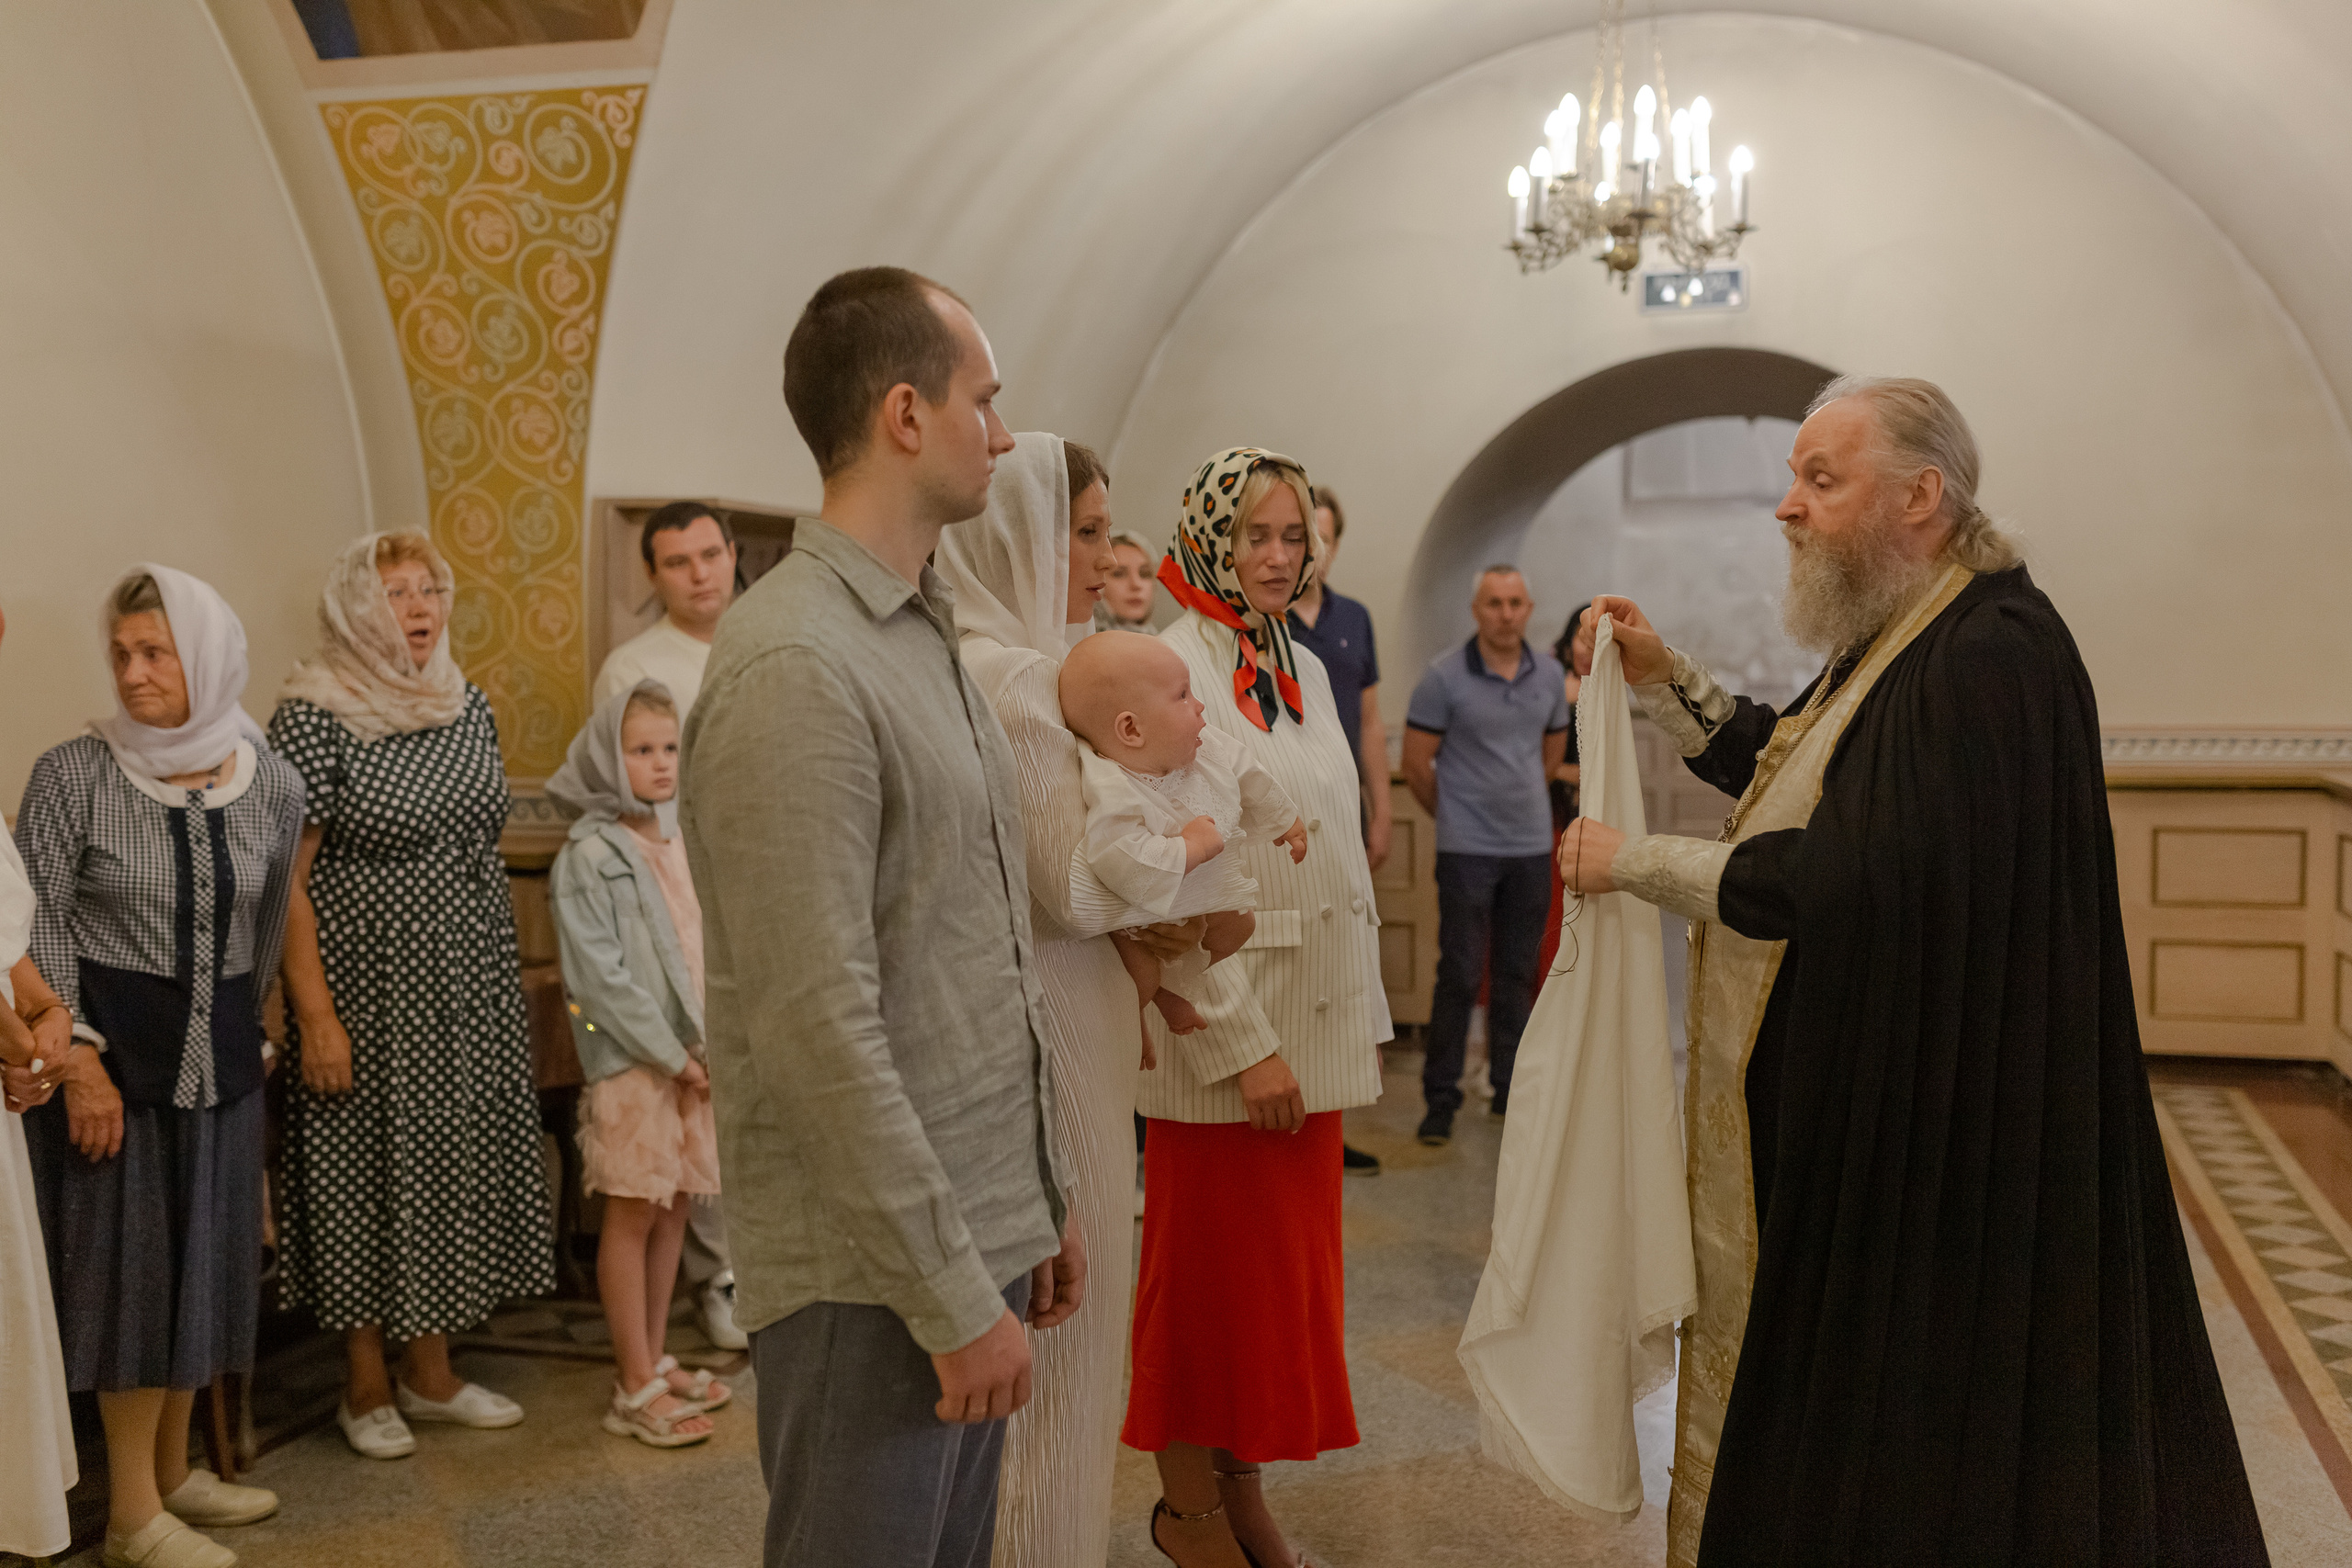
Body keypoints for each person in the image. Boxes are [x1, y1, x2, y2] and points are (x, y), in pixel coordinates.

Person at [1560, 377, 2264, 1564]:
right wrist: (1660, 675)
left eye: (1819, 479)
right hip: (1888, 1106)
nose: (1786, 506)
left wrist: (1637, 862)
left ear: (1921, 495)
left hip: (1953, 1138)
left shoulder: (1994, 652)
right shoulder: (1908, 628)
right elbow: (1792, 769)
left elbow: (1851, 870)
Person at [683, 267, 1085, 1568]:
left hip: (965, 1231)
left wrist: (1038, 1200)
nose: (1006, 435)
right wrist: (953, 1288)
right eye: (987, 400)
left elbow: (973, 950)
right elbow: (815, 1024)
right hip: (874, 1275)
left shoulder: (918, 629)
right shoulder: (798, 661)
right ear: (906, 414)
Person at [933, 432, 1202, 1566]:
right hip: (1051, 1021)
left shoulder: (970, 653)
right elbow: (1074, 890)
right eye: (1084, 532)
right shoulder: (1019, 681)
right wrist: (1193, 851)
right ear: (1022, 537)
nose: (1102, 561)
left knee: (1054, 1349)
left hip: (1056, 1010)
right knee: (1069, 1362)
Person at [1125, 446, 1390, 1568]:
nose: (1278, 557)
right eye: (1255, 536)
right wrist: (1242, 1046)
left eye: (1294, 537)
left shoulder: (1301, 661)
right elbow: (1162, 889)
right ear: (1207, 535)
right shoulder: (1164, 660)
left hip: (1313, 1024)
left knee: (1271, 1300)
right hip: (1234, 1036)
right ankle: (1187, 1517)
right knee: (1201, 1294)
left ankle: (1244, 1496)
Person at [17, 567, 304, 1568]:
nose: (133, 673)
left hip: (221, 1057)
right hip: (116, 1068)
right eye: (122, 654)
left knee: (205, 1270)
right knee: (133, 1283)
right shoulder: (72, 775)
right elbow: (37, 918)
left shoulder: (268, 778)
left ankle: (179, 1476)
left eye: (156, 652)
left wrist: (256, 1034)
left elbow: (265, 924)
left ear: (208, 656)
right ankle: (134, 1516)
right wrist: (82, 1062)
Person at [270, 531, 555, 1462]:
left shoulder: (463, 701)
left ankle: (431, 1375)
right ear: (358, 606)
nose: (421, 605)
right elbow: (287, 884)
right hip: (366, 984)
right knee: (366, 1167)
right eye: (396, 591)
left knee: (444, 1164)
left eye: (429, 587)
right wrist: (314, 1013)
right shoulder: (314, 716)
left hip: (465, 979)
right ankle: (362, 1384)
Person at [548, 682, 729, 1450]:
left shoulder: (678, 837)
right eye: (641, 749)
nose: (660, 764)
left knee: (674, 1207)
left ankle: (654, 1356)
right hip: (638, 1063)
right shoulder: (589, 856)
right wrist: (671, 1056)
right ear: (607, 758)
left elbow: (700, 943)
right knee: (631, 1212)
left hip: (693, 1057)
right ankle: (631, 1383)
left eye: (668, 747)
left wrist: (708, 1048)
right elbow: (601, 980)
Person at [594, 501, 746, 1351]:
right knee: (703, 1082)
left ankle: (767, 1259)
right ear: (653, 575)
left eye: (710, 553)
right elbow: (625, 794)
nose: (699, 573)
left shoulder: (765, 633)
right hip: (681, 891)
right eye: (677, 561)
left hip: (775, 883)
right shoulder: (634, 665)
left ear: (732, 555)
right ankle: (715, 1273)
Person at [1060, 631, 1306, 1035]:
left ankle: (1174, 988)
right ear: (1131, 730)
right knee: (1137, 980)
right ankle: (1143, 1015)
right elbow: (1117, 855)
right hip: (1137, 914)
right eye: (1183, 696)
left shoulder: (1201, 744)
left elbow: (1243, 768)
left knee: (1241, 924)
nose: (1200, 705)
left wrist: (1284, 819)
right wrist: (1188, 848)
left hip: (1194, 897)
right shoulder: (1111, 786)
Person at [1401, 567, 1570, 1144]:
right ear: (1476, 610)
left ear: (1528, 609)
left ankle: (1508, 1089)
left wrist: (1516, 801)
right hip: (1466, 849)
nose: (1505, 613)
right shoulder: (1443, 678)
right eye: (1493, 603)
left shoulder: (1549, 675)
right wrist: (1457, 815)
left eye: (1515, 603)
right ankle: (1440, 1101)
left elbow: (1550, 753)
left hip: (1529, 846)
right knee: (1460, 973)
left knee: (1518, 974)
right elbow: (1415, 765)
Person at [1287, 488, 1389, 1178]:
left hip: (1344, 807)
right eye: (1300, 536)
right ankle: (1288, 1101)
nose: (1309, 551)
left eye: (1321, 537)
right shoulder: (1261, 620)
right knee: (1295, 960)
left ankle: (1332, 1110)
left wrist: (1379, 808)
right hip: (1286, 816)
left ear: (1335, 544)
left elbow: (1373, 722)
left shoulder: (1354, 618)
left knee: (1343, 957)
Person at [1093, 529, 1159, 632]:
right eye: (1119, 574)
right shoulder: (1084, 645)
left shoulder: (1167, 643)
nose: (1136, 584)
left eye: (1145, 574)